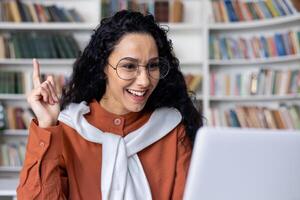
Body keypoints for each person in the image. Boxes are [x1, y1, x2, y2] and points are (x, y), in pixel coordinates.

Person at [17, 10, 202, 200]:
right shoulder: (68, 129)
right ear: (104, 67)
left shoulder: (171, 129)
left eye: (152, 66)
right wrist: (46, 126)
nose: (144, 81)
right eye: (129, 66)